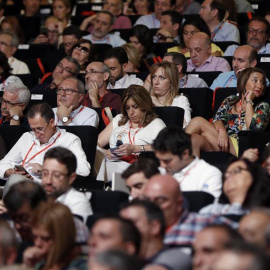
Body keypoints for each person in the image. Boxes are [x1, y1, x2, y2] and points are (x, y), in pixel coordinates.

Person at [186, 67, 270, 157]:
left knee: (198, 121)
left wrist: (249, 100)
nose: (259, 85)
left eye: (262, 82)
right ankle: (188, 169)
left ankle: (173, 149)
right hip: (222, 141)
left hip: (242, 147)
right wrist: (222, 132)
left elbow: (252, 128)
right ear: (243, 82)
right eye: (255, 81)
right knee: (194, 139)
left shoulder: (263, 106)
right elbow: (218, 119)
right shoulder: (231, 100)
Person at [0, 103, 90, 181]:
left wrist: (47, 169)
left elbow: (84, 169)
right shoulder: (27, 136)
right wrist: (10, 172)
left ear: (52, 122)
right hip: (18, 184)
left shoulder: (69, 140)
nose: (36, 134)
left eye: (40, 129)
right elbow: (4, 163)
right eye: (33, 129)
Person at [142, 174, 237, 247]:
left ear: (179, 204)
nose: (152, 206)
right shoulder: (136, 227)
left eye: (160, 201)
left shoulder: (205, 223)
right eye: (147, 201)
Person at [96, 85, 166, 182]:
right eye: (127, 108)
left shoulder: (155, 123)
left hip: (137, 165)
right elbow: (96, 143)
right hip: (111, 162)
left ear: (144, 105)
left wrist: (135, 148)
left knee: (100, 170)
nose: (131, 112)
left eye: (135, 107)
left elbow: (166, 147)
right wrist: (105, 152)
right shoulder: (119, 119)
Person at [120, 199, 192, 270]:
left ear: (154, 227)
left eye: (131, 222)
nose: (124, 229)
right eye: (121, 225)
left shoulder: (177, 257)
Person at [153, 127, 222, 199]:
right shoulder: (157, 172)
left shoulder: (209, 174)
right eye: (159, 160)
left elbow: (210, 209)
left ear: (185, 154)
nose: (162, 165)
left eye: (167, 161)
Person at [23, 202, 88, 270]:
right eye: (35, 237)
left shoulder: (82, 266)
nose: (37, 243)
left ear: (63, 238)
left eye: (45, 239)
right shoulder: (38, 263)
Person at [199, 158, 270, 215]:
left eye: (236, 171)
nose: (228, 176)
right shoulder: (210, 211)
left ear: (255, 176)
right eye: (225, 176)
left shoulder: (264, 215)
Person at [42, 147, 92, 223]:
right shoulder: (35, 196)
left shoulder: (77, 203)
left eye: (57, 175)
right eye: (45, 173)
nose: (48, 181)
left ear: (71, 178)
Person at [149, 61, 191, 127]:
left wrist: (160, 106)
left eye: (162, 78)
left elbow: (186, 127)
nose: (156, 82)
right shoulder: (147, 100)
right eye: (154, 77)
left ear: (172, 82)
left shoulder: (180, 100)